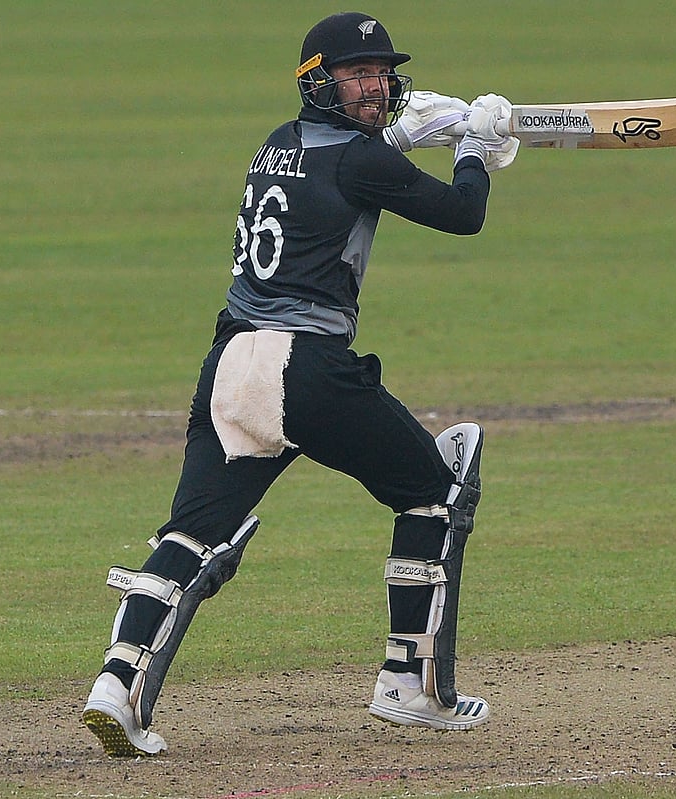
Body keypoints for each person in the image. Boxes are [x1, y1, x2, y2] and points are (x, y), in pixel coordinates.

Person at [81, 12, 518, 757]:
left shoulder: (277, 144)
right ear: (319, 81)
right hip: (308, 368)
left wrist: (408, 134)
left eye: (380, 73)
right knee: (437, 488)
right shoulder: (362, 158)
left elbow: (349, 167)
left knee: (193, 533)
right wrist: (474, 143)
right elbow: (462, 213)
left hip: (229, 365)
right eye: (356, 74)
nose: (374, 85)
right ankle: (410, 687)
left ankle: (115, 686)